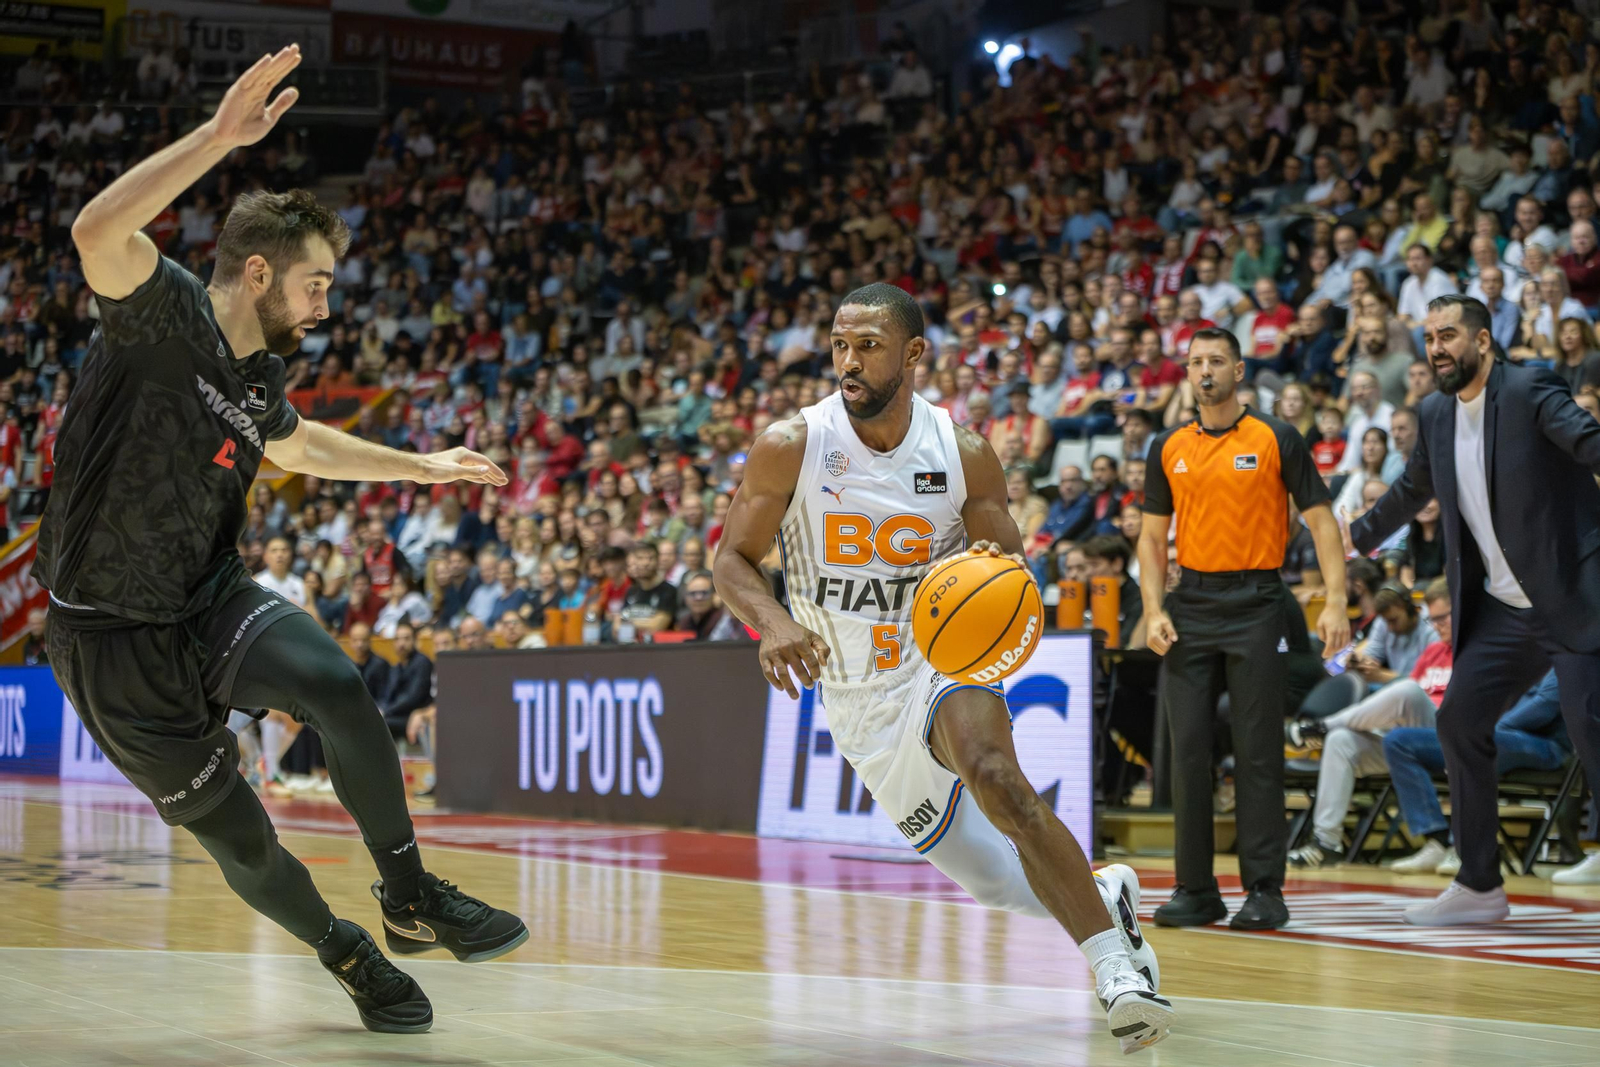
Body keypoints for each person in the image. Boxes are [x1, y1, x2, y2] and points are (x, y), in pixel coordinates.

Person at [30, 49, 524, 1035]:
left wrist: (420, 465)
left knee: (338, 685)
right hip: (108, 637)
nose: (326, 305)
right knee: (248, 846)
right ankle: (345, 950)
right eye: (316, 283)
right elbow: (93, 228)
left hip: (207, 595)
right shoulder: (157, 308)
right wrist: (217, 140)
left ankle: (410, 892)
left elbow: (300, 445)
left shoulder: (257, 378)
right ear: (257, 270)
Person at [712, 283, 1172, 1053]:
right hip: (857, 696)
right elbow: (731, 559)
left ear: (914, 353)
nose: (848, 362)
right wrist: (776, 621)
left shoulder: (961, 453)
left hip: (939, 655)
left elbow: (1012, 573)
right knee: (993, 879)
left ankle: (1116, 971)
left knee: (996, 772)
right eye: (839, 345)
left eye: (868, 346)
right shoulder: (793, 443)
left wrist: (991, 573)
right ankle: (1104, 894)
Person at [1347, 294, 1600, 926]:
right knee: (1458, 719)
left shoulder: (1528, 388)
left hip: (1572, 593)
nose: (1437, 347)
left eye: (1450, 334)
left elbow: (1586, 440)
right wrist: (1348, 539)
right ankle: (1480, 885)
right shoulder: (1433, 411)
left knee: (1591, 726)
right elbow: (1411, 492)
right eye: (1430, 336)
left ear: (1483, 341)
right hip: (1505, 608)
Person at [1137, 328, 1350, 931]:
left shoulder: (1277, 437)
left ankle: (1264, 889)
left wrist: (1334, 600)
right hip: (1193, 602)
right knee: (1189, 752)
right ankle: (1196, 888)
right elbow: (1153, 538)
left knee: (1258, 751)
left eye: (1215, 361)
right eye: (1194, 362)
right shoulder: (1167, 445)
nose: (1204, 371)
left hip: (1260, 599)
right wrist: (1154, 609)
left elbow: (1322, 521)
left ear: (1238, 369)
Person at [1285, 580, 1451, 868]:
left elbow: (1412, 690)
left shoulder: (1464, 646)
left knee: (1408, 690)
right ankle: (1326, 843)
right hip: (1403, 739)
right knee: (1341, 742)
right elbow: (1359, 661)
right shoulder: (1432, 653)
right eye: (1434, 619)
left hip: (1443, 733)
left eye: (1442, 618)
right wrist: (1357, 662)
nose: (1437, 625)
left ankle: (1319, 726)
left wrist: (1384, 676)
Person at [1384, 669, 1572, 877]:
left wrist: (1486, 730)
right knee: (1399, 741)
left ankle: (1469, 849)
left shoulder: (1564, 651)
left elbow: (1545, 705)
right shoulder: (1515, 653)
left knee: (1474, 744)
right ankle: (1436, 840)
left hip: (1545, 745)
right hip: (1491, 735)